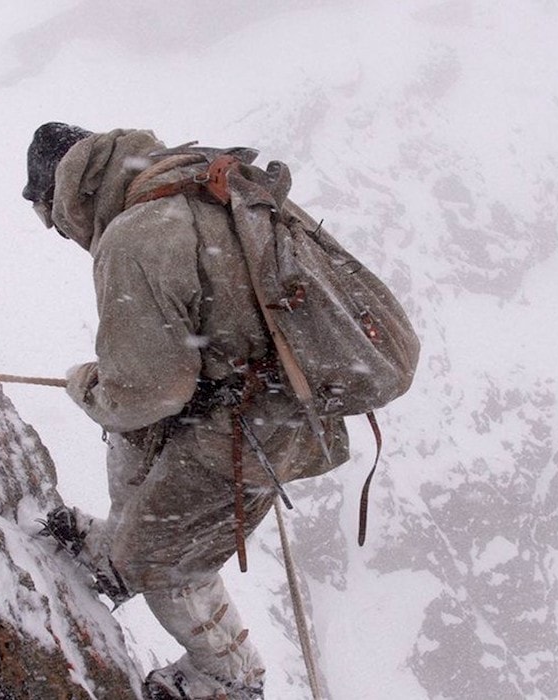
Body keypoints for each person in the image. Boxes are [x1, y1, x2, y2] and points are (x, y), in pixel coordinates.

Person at [23, 122, 349, 700]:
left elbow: (144, 394)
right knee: (137, 459)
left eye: (50, 219)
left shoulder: (135, 236)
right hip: (272, 404)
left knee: (171, 560)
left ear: (62, 196)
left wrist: (87, 388)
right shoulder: (189, 183)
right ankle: (115, 560)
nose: (60, 234)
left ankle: (227, 678)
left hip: (241, 429)